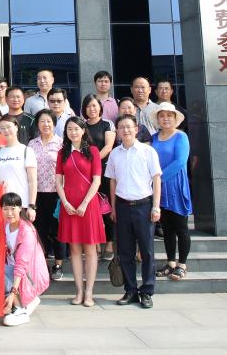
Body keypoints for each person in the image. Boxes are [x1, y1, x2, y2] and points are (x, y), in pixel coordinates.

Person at [107, 114, 162, 309]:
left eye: (129, 126)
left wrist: (156, 206)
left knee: (147, 251)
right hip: (122, 206)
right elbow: (112, 181)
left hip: (144, 206)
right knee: (125, 252)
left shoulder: (148, 151)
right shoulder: (115, 154)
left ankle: (147, 291)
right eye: (121, 127)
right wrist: (113, 208)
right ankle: (130, 290)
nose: (125, 130)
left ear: (136, 129)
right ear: (117, 131)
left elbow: (156, 179)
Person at [55, 116, 106, 307]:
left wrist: (84, 203)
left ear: (83, 130)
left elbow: (97, 180)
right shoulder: (62, 153)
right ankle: (78, 291)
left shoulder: (93, 151)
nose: (73, 132)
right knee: (74, 250)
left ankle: (89, 292)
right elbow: (58, 182)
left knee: (90, 249)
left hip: (88, 205)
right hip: (68, 204)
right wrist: (65, 202)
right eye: (69, 129)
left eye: (76, 128)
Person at [151, 102, 191, 281]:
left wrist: (158, 179)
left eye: (169, 115)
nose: (165, 119)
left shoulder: (181, 136)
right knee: (167, 228)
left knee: (181, 227)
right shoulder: (154, 138)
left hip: (175, 186)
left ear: (175, 118)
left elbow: (180, 161)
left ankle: (182, 265)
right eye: (162, 115)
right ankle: (170, 263)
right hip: (159, 189)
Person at [0, 192, 49, 327]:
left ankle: (19, 308)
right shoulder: (5, 226)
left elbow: (21, 266)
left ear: (21, 209)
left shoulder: (26, 232)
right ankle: (21, 302)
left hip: (29, 276)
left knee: (0, 272)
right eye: (5, 209)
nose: (9, 213)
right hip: (12, 271)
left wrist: (12, 293)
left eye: (13, 208)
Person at [28, 108, 64, 280]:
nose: (46, 124)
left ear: (54, 124)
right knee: (39, 230)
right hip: (36, 193)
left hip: (57, 193)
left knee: (57, 230)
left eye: (49, 121)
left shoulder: (61, 144)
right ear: (37, 124)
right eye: (42, 121)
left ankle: (58, 265)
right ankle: (41, 265)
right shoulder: (31, 144)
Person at [80, 93, 116, 260]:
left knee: (106, 208)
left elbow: (108, 147)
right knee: (90, 209)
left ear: (100, 107)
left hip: (104, 172)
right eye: (88, 106)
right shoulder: (81, 126)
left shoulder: (107, 124)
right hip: (85, 174)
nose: (92, 109)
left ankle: (109, 243)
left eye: (94, 105)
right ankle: (94, 242)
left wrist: (93, 163)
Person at [0, 114, 38, 220]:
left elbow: (33, 181)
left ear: (16, 127)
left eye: (8, 127)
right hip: (3, 204)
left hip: (21, 204)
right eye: (2, 128)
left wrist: (31, 206)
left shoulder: (26, 151)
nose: (6, 130)